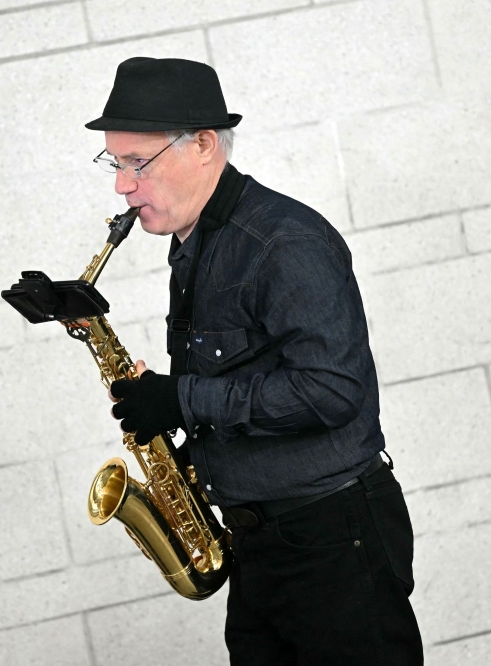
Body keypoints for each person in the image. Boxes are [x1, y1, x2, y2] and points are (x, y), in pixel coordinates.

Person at [88, 57, 423, 665]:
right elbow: (247, 381)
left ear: (204, 147)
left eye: (138, 163)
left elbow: (330, 391)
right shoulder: (197, 244)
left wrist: (183, 399)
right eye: (115, 163)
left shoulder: (283, 242)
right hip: (260, 545)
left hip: (330, 540)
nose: (122, 185)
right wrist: (184, 448)